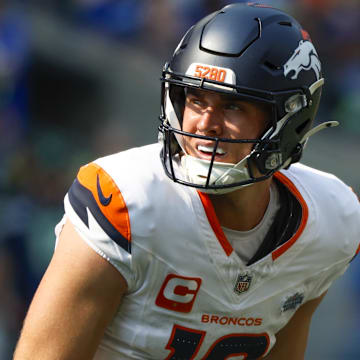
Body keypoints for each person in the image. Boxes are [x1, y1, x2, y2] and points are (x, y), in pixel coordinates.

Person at [13, 3, 360, 360]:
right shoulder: (127, 201)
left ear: (293, 119)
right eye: (195, 99)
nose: (204, 124)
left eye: (234, 106)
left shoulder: (332, 221)